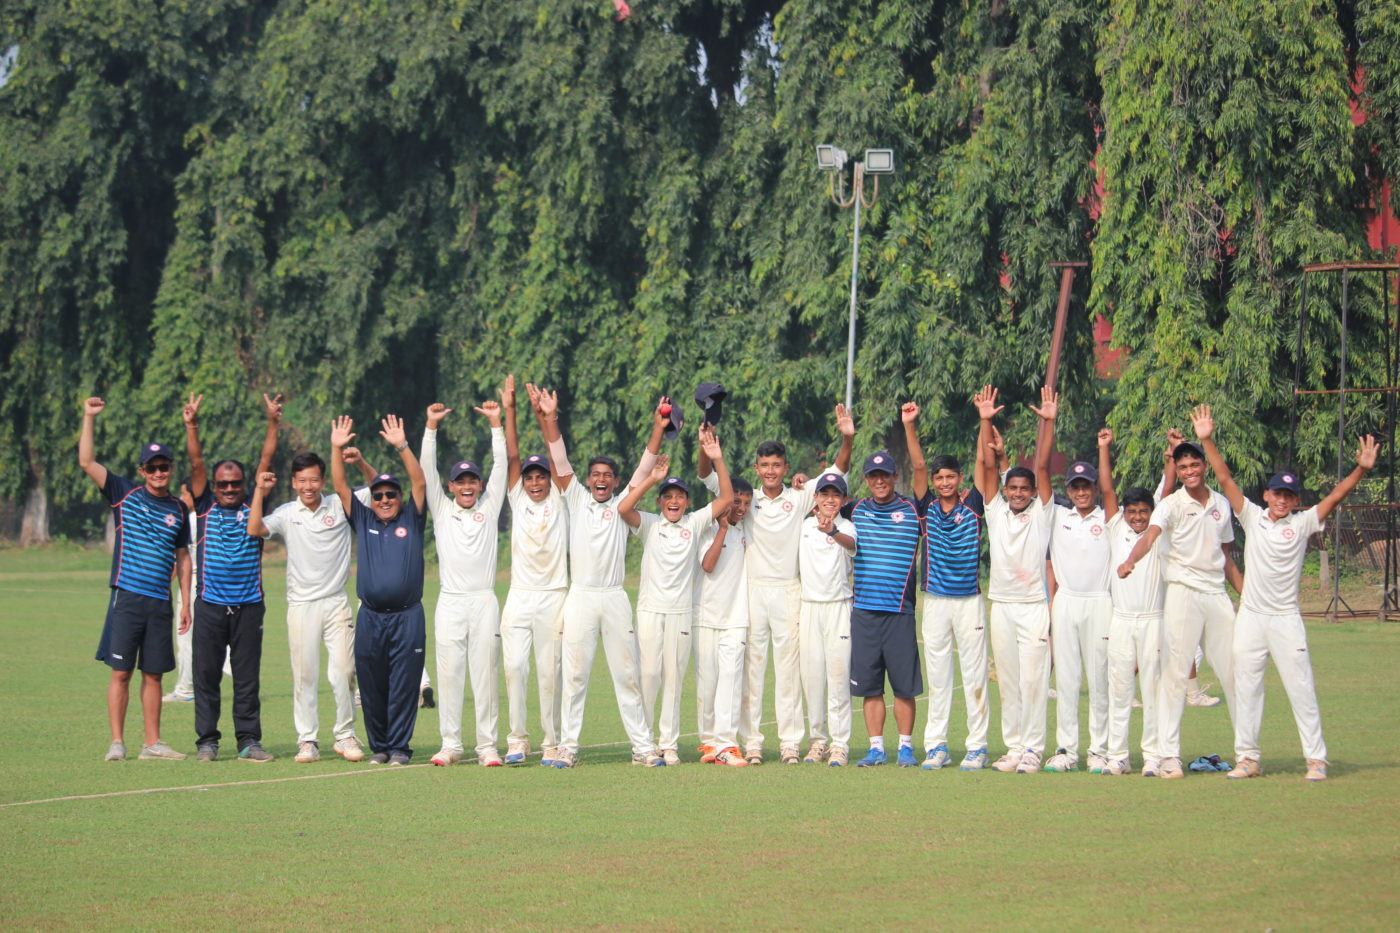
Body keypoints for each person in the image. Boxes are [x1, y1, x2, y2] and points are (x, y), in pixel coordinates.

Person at [1191, 406, 1377, 782]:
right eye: (1277, 493)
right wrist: (1206, 440)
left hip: (1286, 618)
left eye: (1289, 496)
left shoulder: (1304, 522)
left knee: (1301, 688)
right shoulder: (1252, 516)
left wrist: (1361, 469)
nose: (1282, 500)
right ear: (1267, 494)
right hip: (1251, 617)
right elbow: (1224, 478)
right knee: (1246, 688)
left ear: (1295, 501)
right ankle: (1248, 759)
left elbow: (1335, 497)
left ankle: (1316, 759)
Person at [699, 406, 854, 765]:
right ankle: (752, 741)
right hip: (753, 591)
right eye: (765, 466)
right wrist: (708, 450)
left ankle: (789, 743)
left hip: (790, 591)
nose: (770, 471)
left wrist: (847, 438)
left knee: (789, 671)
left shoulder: (799, 497)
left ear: (786, 468)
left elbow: (837, 471)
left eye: (777, 465)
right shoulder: (746, 499)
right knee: (752, 670)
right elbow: (707, 476)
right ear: (756, 469)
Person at [537, 388, 657, 769]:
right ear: (588, 480)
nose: (601, 480)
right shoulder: (575, 498)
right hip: (582, 597)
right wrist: (550, 417)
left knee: (627, 675)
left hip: (615, 597)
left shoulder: (624, 503)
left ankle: (642, 747)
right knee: (575, 676)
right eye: (596, 475)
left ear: (616, 481)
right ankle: (568, 747)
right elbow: (559, 457)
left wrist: (659, 426)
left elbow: (646, 466)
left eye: (608, 476)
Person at [1118, 416, 1238, 780]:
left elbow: (1227, 557)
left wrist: (1248, 598)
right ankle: (1168, 755)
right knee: (1174, 675)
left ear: (1204, 466)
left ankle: (1248, 753)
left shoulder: (1221, 504)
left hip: (1215, 593)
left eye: (1194, 464)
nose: (1189, 471)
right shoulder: (1169, 504)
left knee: (1236, 673)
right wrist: (1131, 560)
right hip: (1183, 593)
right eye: (1182, 466)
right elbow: (1150, 536)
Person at [248, 442, 379, 764]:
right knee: (305, 675)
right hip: (301, 605)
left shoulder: (338, 503)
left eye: (314, 480)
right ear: (294, 482)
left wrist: (360, 461)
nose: (308, 486)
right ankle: (307, 740)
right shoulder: (287, 513)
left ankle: (345, 734)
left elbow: (378, 488)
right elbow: (254, 528)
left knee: (345, 671)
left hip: (336, 602)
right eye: (302, 480)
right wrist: (259, 491)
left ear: (323, 481)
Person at [79, 397, 192, 761]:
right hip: (127, 597)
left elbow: (183, 557)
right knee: (121, 672)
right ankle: (117, 742)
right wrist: (89, 417)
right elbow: (87, 462)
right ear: (142, 471)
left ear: (170, 468)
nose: (159, 473)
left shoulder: (178, 508)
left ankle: (152, 743)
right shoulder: (123, 493)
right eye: (152, 468)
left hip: (160, 601)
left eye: (164, 467)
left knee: (154, 674)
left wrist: (185, 602)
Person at [618, 420, 734, 765]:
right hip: (650, 610)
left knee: (674, 678)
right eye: (667, 497)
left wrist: (716, 457)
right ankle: (644, 743)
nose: (673, 501)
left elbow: (727, 499)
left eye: (679, 496)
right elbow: (623, 509)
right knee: (649, 675)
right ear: (660, 501)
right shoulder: (650, 524)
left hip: (681, 612)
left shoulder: (694, 523)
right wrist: (652, 478)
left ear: (687, 501)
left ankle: (668, 743)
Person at [183, 392, 280, 762]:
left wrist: (273, 421)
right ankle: (207, 742)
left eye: (234, 484)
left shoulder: (254, 505)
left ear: (243, 485)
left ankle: (248, 741)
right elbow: (196, 462)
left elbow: (266, 460)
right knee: (206, 676)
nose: (228, 489)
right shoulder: (205, 507)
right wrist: (192, 425)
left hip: (249, 606)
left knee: (246, 679)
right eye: (222, 484)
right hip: (210, 605)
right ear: (214, 487)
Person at [330, 413, 428, 766]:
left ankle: (399, 748)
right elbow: (341, 486)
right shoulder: (364, 519)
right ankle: (380, 747)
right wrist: (336, 448)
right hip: (370, 617)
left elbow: (419, 481)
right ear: (371, 500)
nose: (384, 500)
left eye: (390, 494)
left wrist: (402, 446)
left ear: (400, 498)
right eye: (378, 495)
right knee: (371, 685)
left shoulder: (412, 518)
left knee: (403, 684)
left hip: (407, 617)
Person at [420, 384, 509, 768]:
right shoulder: (442, 510)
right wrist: (431, 428)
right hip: (451, 601)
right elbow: (426, 470)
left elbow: (502, 468)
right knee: (450, 672)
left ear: (479, 485)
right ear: (452, 486)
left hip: (483, 600)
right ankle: (451, 744)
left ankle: (487, 746)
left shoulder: (489, 507)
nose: (468, 486)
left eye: (473, 481)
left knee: (485, 673)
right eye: (461, 482)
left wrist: (496, 426)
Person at [974, 385, 1058, 774]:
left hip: (1033, 607)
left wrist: (1048, 424)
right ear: (1006, 490)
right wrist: (985, 421)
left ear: (1034, 492)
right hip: (1002, 606)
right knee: (1008, 681)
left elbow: (1043, 467)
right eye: (1014, 488)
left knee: (1033, 681)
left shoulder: (1042, 513)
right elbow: (989, 468)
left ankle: (1033, 750)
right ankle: (1014, 747)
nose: (1019, 493)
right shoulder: (995, 511)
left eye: (1025, 489)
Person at [910, 404, 990, 771]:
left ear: (959, 478)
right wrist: (909, 426)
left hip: (969, 601)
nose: (944, 483)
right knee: (939, 677)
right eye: (939, 478)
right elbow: (918, 466)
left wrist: (984, 420)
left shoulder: (973, 505)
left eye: (950, 477)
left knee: (974, 676)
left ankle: (977, 747)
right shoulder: (925, 508)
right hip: (935, 601)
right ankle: (936, 746)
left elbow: (983, 462)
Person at [498, 385, 571, 766]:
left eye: (541, 476)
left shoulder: (559, 496)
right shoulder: (517, 496)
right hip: (520, 594)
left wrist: (546, 416)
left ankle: (551, 741)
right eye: (530, 478)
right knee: (514, 666)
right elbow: (512, 454)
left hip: (554, 594)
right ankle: (517, 739)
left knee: (549, 671)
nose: (536, 483)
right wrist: (510, 409)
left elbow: (558, 457)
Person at [1102, 429, 1182, 777]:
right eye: (1132, 511)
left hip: (1153, 619)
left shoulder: (1157, 531)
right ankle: (1118, 755)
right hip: (1121, 620)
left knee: (1152, 689)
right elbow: (1107, 489)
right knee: (1119, 689)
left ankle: (1152, 755)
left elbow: (1167, 489)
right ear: (1124, 512)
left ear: (1153, 512)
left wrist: (1173, 453)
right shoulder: (1115, 527)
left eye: (1144, 511)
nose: (1138, 517)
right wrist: (1104, 448)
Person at [847, 419, 925, 768]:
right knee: (870, 686)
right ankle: (876, 747)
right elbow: (825, 498)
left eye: (885, 475)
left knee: (904, 686)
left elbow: (920, 468)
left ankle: (905, 747)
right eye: (873, 476)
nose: (879, 481)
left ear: (895, 477)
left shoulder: (912, 510)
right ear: (866, 480)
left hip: (899, 612)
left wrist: (909, 427)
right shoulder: (855, 510)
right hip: (864, 612)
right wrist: (804, 483)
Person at [1043, 429, 1117, 773]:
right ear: (1069, 491)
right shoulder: (1059, 517)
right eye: (1076, 487)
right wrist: (1048, 424)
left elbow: (1110, 489)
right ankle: (1066, 750)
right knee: (1067, 680)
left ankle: (1098, 750)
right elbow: (1041, 473)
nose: (1082, 492)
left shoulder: (1109, 518)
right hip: (1066, 601)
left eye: (1087, 486)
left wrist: (1103, 448)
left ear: (1094, 488)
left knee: (1100, 679)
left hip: (1100, 602)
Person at [797, 472, 858, 767]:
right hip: (809, 607)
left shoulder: (847, 527)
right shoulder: (805, 526)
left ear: (844, 500)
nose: (830, 500)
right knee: (812, 679)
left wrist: (832, 531)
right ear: (816, 498)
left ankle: (839, 744)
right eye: (825, 494)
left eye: (836, 495)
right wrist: (801, 482)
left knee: (838, 677)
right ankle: (818, 741)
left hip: (838, 608)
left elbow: (850, 544)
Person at [695, 477, 754, 767]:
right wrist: (722, 529)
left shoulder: (747, 528)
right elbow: (708, 564)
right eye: (736, 501)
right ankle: (709, 742)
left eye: (746, 503)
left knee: (730, 681)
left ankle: (727, 744)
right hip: (705, 616)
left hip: (736, 617)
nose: (741, 508)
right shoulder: (706, 528)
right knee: (707, 684)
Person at [162, 477, 198, 704]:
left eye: (185, 494)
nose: (182, 498)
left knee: (185, 638)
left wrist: (164, 580)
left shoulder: (191, 521)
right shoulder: (206, 518)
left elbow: (180, 559)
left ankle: (185, 689)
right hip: (204, 584)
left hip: (191, 584)